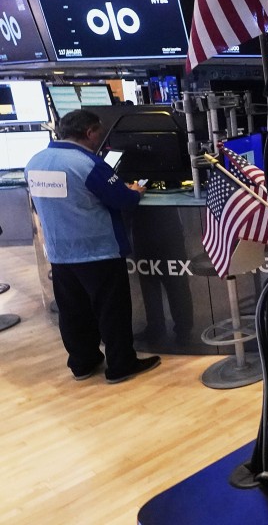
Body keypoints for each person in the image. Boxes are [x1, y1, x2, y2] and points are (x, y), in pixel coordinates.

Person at [25, 109, 161, 384]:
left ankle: (82, 363)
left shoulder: (35, 162)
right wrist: (134, 192)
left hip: (60, 253)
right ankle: (121, 364)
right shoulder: (87, 164)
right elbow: (121, 200)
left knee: (73, 312)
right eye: (99, 132)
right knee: (111, 310)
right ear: (89, 133)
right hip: (97, 251)